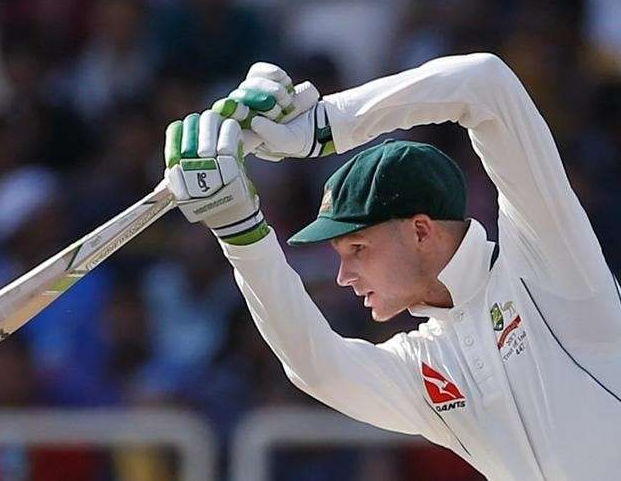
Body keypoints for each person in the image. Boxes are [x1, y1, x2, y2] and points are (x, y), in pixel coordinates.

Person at [161, 54, 621, 479]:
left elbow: (485, 83)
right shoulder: (426, 361)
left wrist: (330, 124)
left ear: (421, 231)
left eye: (358, 248)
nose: (343, 277)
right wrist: (241, 234)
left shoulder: (548, 264)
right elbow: (318, 368)